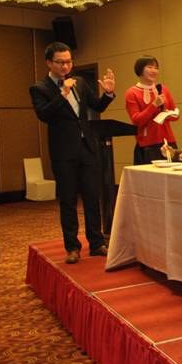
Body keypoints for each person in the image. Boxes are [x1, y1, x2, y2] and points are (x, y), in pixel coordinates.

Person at [29, 42, 116, 264]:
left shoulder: (80, 83)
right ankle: (72, 247)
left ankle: (96, 243)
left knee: (92, 197)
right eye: (60, 62)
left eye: (68, 62)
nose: (65, 66)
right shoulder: (40, 88)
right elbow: (44, 115)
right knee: (68, 200)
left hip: (87, 148)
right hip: (63, 152)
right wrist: (62, 94)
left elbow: (97, 106)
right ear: (49, 63)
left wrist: (108, 93)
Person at [125, 56, 178, 165]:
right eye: (150, 67)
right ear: (140, 70)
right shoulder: (132, 93)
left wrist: (170, 114)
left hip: (168, 141)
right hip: (147, 144)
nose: (154, 71)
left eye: (156, 68)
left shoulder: (163, 89)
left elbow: (175, 114)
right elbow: (136, 120)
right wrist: (154, 105)